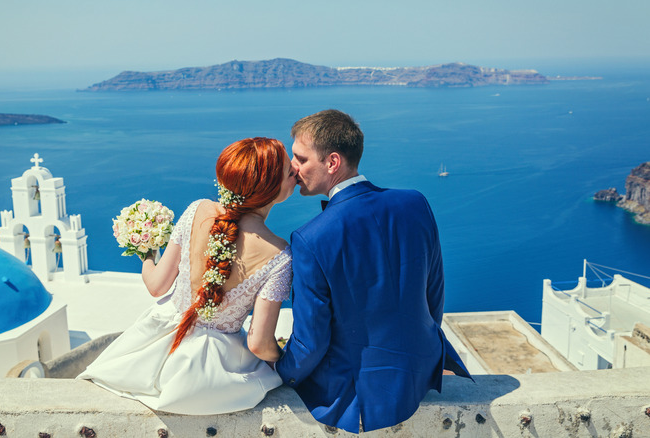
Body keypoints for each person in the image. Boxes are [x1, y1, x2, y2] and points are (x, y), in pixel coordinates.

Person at [275, 110, 470, 433]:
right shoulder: (416, 203)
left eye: (300, 158)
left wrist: (280, 374)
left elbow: (311, 342)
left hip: (360, 397)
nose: (293, 167)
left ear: (332, 162)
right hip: (420, 372)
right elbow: (433, 294)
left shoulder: (310, 239)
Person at [77, 137, 297, 415]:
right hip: (213, 373)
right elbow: (259, 344)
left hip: (150, 351)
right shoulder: (279, 255)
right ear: (270, 188)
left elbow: (157, 286)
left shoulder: (198, 209)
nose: (296, 171)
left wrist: (146, 253)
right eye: (290, 171)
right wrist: (283, 360)